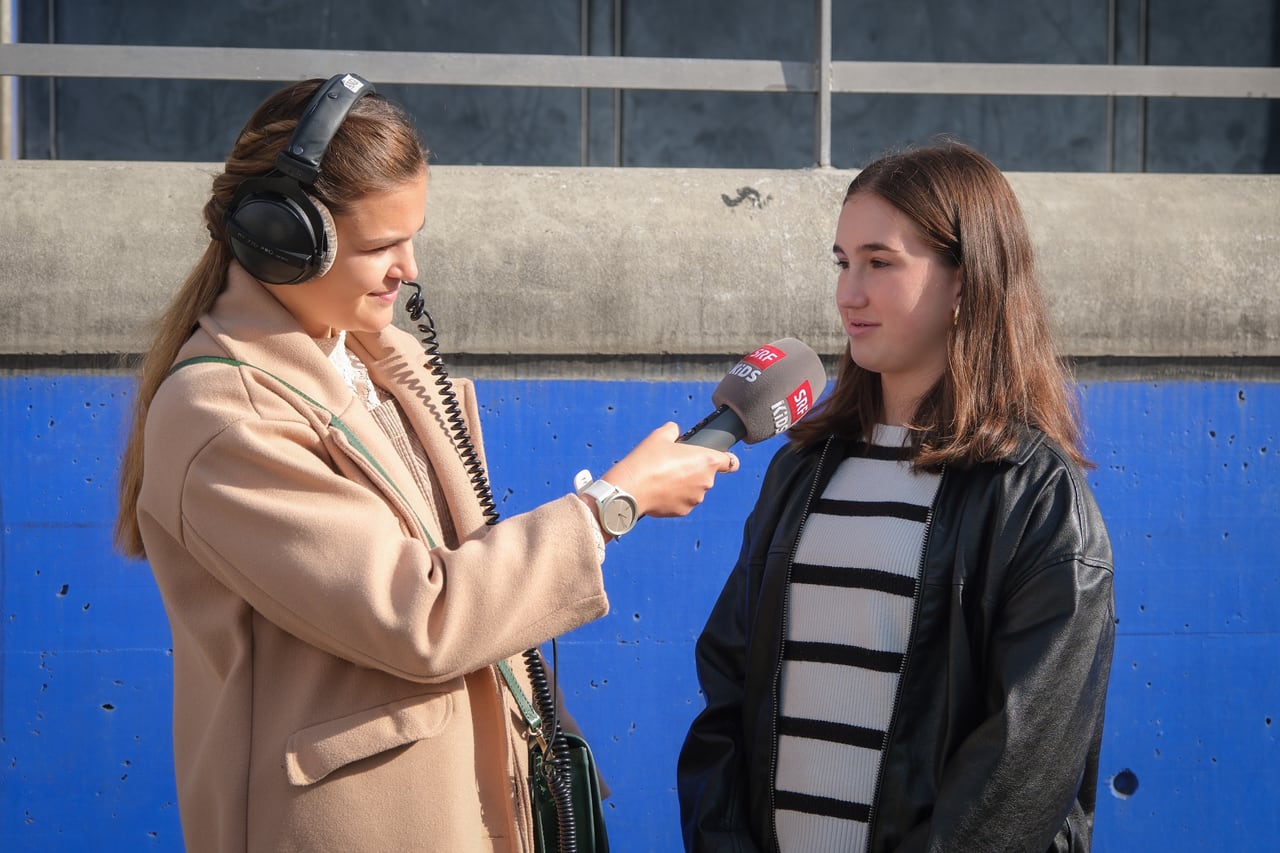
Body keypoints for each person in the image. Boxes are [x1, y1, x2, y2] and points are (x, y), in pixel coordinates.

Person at [114, 73, 737, 853]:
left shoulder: (381, 360)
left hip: (468, 807)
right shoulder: (222, 417)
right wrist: (613, 505)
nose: (408, 268)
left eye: (413, 238)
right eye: (380, 246)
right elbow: (420, 616)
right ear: (281, 237)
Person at [677, 141, 1115, 852]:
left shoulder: (1035, 497)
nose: (851, 292)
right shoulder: (803, 469)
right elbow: (728, 690)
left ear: (966, 283)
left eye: (880, 262)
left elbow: (1022, 766)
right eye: (843, 262)